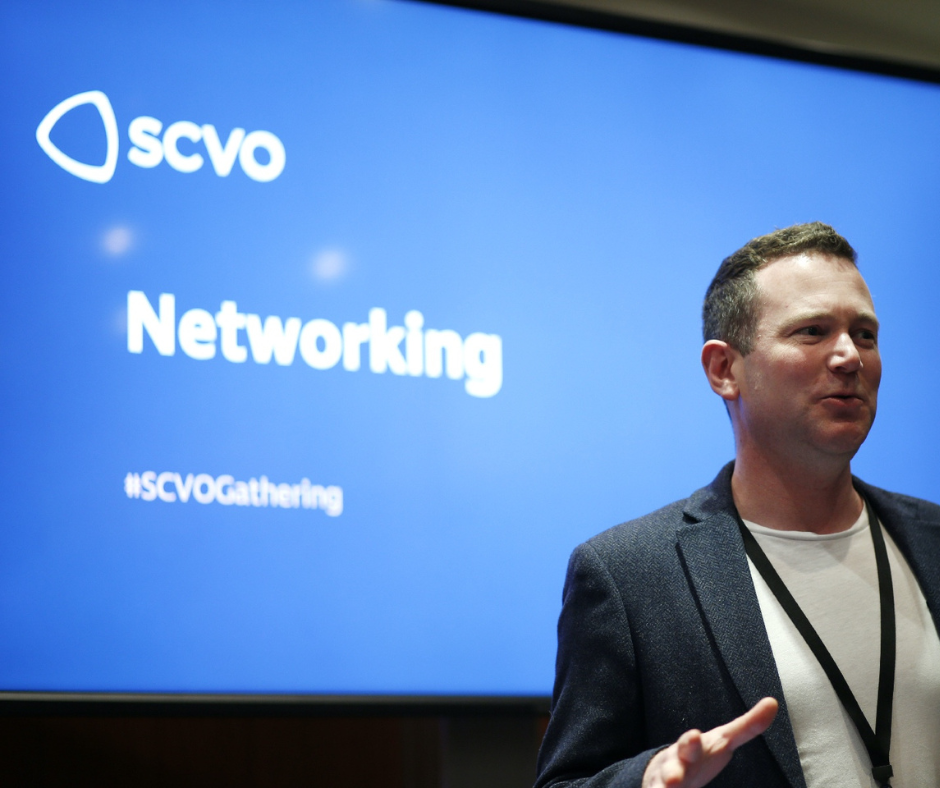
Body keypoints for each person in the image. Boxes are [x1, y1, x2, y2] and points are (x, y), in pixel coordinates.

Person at [534, 223, 940, 788]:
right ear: (725, 369)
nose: (850, 356)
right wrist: (650, 779)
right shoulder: (630, 576)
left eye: (865, 335)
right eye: (813, 331)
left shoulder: (932, 540)